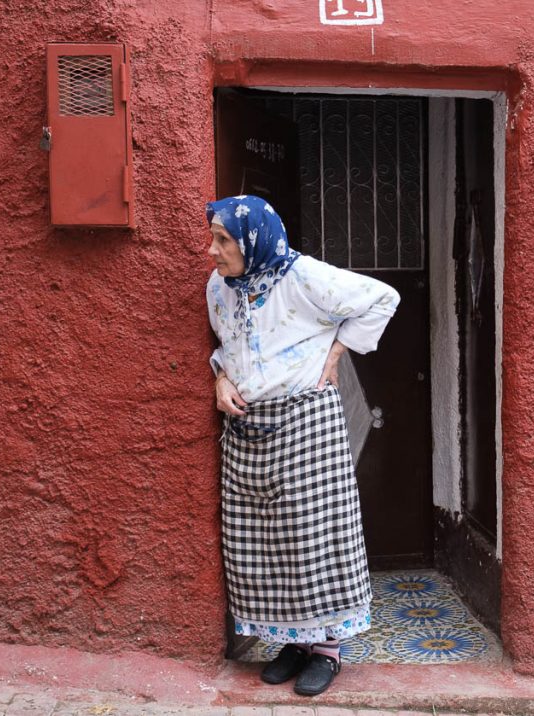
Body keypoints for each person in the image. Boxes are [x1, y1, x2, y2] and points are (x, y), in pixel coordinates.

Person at [204, 195, 399, 696]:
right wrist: (221, 378)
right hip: (251, 430)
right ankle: (293, 640)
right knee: (267, 541)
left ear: (253, 240)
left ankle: (328, 649)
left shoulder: (302, 276)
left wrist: (337, 352)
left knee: (314, 536)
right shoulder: (220, 288)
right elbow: (226, 344)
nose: (213, 250)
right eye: (215, 238)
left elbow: (382, 297)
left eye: (223, 240)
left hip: (305, 422)